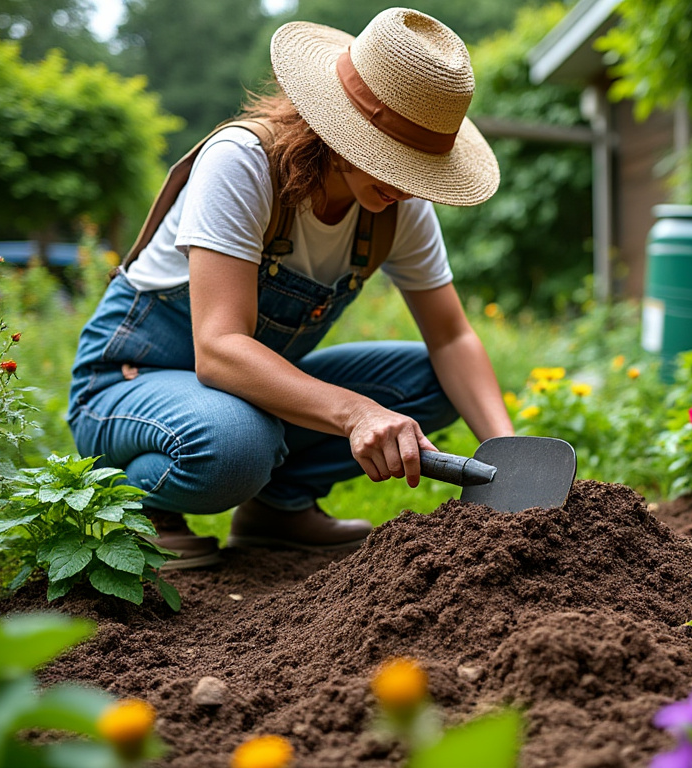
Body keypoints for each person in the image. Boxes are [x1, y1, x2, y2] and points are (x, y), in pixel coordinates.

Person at [67, 8, 513, 569]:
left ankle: (276, 508)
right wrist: (356, 414)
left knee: (437, 382)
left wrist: (509, 452)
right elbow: (220, 349)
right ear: (343, 124)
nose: (405, 183)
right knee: (235, 445)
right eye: (394, 160)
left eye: (416, 167)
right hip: (130, 386)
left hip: (246, 398)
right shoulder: (244, 164)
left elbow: (452, 340)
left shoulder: (398, 209)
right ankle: (135, 510)